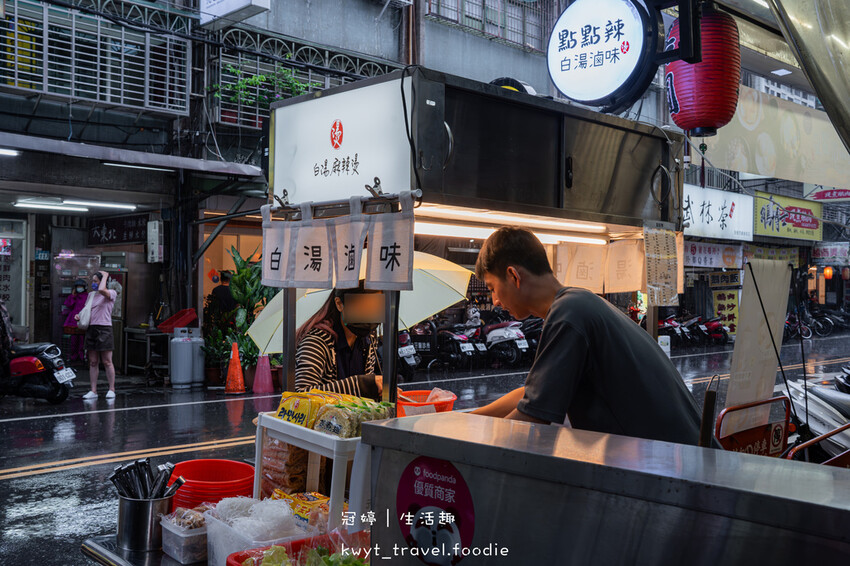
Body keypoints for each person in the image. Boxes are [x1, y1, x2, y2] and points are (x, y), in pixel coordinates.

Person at [470, 227, 703, 446]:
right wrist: (466, 418)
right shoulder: (578, 302)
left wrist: (465, 439)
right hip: (677, 454)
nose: (495, 302)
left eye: (491, 288)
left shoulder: (569, 314)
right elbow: (532, 394)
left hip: (671, 462)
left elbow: (533, 417)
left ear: (513, 276)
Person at [294, 284, 384, 399]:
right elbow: (302, 395)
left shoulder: (368, 337)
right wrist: (362, 384)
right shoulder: (316, 341)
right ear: (339, 304)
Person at [77, 270, 117, 400]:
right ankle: (93, 390)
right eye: (92, 281)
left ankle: (111, 389)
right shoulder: (91, 295)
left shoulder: (111, 293)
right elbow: (87, 310)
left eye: (95, 281)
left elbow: (102, 290)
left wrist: (105, 275)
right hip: (92, 328)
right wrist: (80, 316)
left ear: (102, 282)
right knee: (93, 362)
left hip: (105, 329)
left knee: (107, 361)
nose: (93, 284)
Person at [62, 279, 88, 363]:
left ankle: (81, 356)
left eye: (81, 287)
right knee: (73, 340)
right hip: (73, 320)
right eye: (78, 287)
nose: (79, 288)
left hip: (83, 319)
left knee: (82, 340)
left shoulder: (87, 296)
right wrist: (73, 296)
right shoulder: (73, 296)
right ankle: (73, 356)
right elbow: (69, 305)